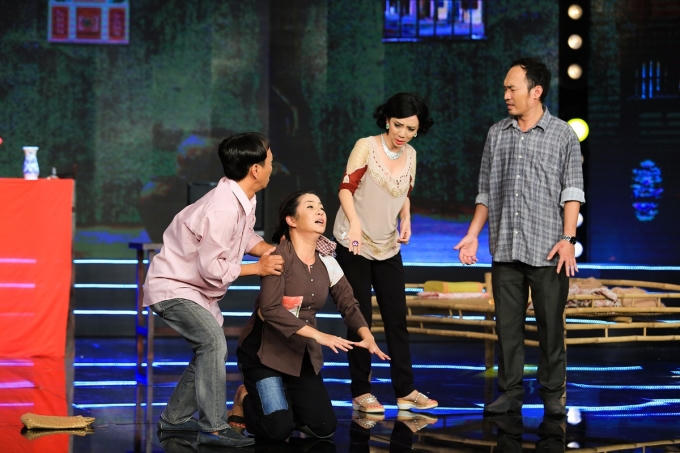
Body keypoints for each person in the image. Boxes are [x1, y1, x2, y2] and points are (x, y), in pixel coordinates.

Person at [454, 58, 585, 417]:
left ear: (536, 91)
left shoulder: (562, 134)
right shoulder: (497, 133)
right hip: (506, 249)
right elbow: (486, 191)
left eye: (512, 88)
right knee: (508, 329)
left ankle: (553, 394)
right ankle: (510, 393)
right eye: (505, 89)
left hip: (547, 250)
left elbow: (572, 191)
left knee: (550, 328)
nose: (506, 95)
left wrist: (568, 238)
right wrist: (472, 234)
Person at [143, 132, 284, 448]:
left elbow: (244, 237)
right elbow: (211, 267)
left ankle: (175, 418)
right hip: (173, 286)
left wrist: (267, 250)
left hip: (193, 289)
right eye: (270, 162)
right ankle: (215, 427)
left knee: (208, 349)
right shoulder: (223, 207)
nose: (272, 168)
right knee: (212, 343)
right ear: (255, 170)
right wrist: (258, 268)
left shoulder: (243, 198)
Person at [230, 191, 390, 442]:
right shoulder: (277, 256)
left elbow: (348, 303)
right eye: (310, 206)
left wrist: (366, 335)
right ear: (291, 220)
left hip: (300, 354)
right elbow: (270, 309)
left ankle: (282, 403)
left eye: (322, 207)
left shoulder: (327, 261)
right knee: (278, 429)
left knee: (324, 427)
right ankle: (245, 397)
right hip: (264, 354)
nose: (320, 212)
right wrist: (319, 335)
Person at [332, 92, 438, 413]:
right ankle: (361, 391)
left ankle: (405, 390)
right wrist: (353, 224)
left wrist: (406, 218)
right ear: (387, 120)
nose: (403, 134)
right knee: (359, 318)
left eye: (411, 129)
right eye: (398, 125)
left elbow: (403, 192)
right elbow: (345, 189)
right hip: (354, 243)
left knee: (396, 318)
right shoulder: (366, 146)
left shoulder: (411, 154)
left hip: (388, 244)